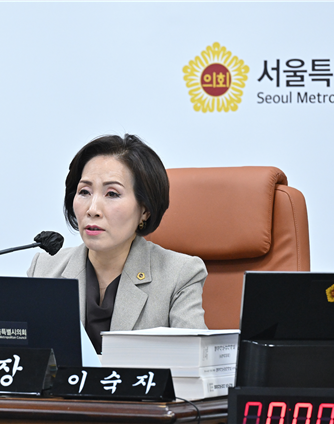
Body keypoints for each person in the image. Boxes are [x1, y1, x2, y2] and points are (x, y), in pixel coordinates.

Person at [27, 134, 207, 353]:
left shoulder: (179, 275)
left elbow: (195, 359)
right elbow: (25, 355)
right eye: (84, 192)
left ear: (145, 210)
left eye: (112, 194)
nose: (93, 209)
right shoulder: (45, 269)